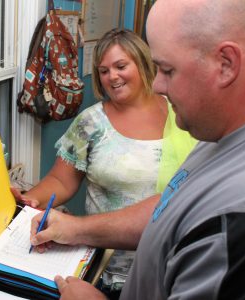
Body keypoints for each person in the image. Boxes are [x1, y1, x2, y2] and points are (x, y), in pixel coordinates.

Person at [29, 0, 245, 299]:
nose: (159, 85)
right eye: (103, 70)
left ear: (226, 64)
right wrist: (74, 228)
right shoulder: (218, 132)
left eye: (167, 69)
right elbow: (168, 207)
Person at [13, 28, 195, 298]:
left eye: (121, 66)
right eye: (104, 71)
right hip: (105, 269)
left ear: (143, 63)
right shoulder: (91, 122)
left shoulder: (182, 113)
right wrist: (28, 200)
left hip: (174, 266)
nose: (113, 77)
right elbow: (61, 180)